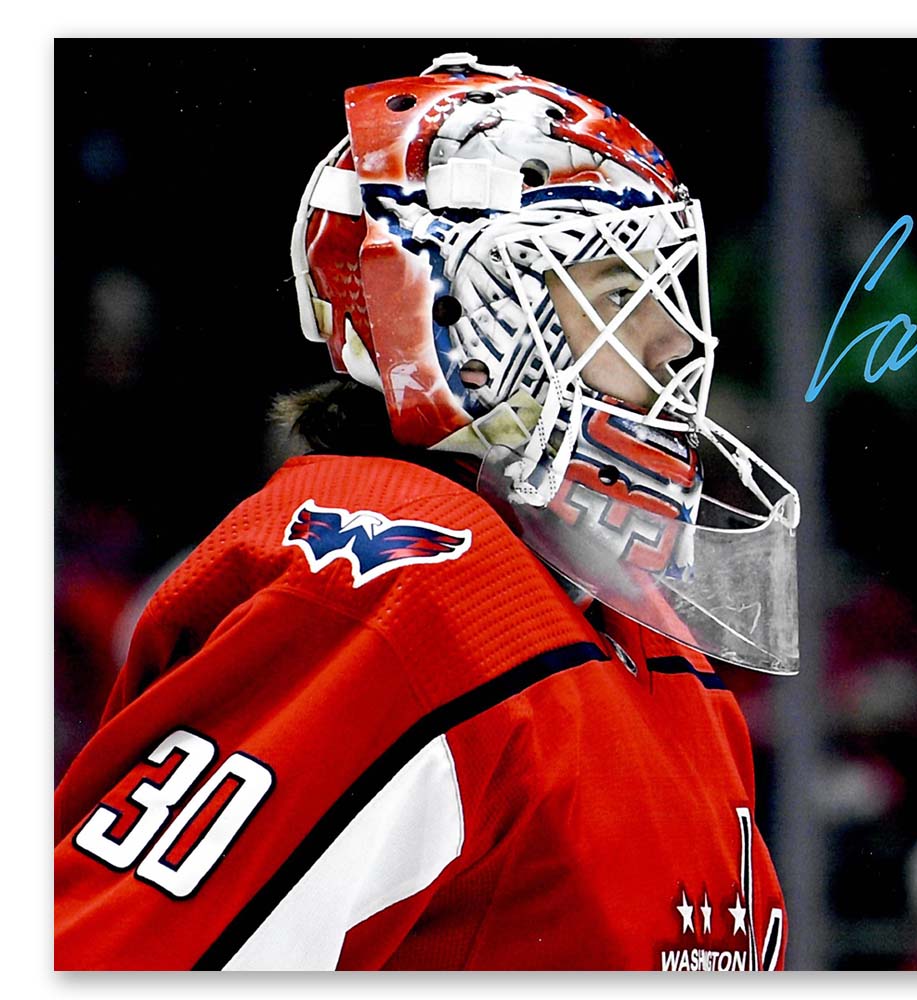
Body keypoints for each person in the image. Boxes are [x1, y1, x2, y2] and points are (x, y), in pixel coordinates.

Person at [54, 52, 801, 971]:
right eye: (620, 291)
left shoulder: (649, 634)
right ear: (461, 310)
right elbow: (106, 964)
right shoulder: (395, 596)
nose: (676, 338)